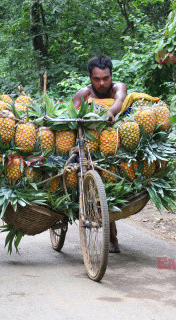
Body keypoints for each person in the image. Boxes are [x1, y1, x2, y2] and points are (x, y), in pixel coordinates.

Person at [72, 55, 127, 253]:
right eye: (97, 79)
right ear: (90, 77)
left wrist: (109, 113)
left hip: (115, 145)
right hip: (88, 146)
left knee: (111, 185)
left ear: (112, 75)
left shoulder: (117, 88)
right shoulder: (84, 94)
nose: (102, 82)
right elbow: (72, 117)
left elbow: (120, 101)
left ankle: (112, 236)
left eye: (106, 77)